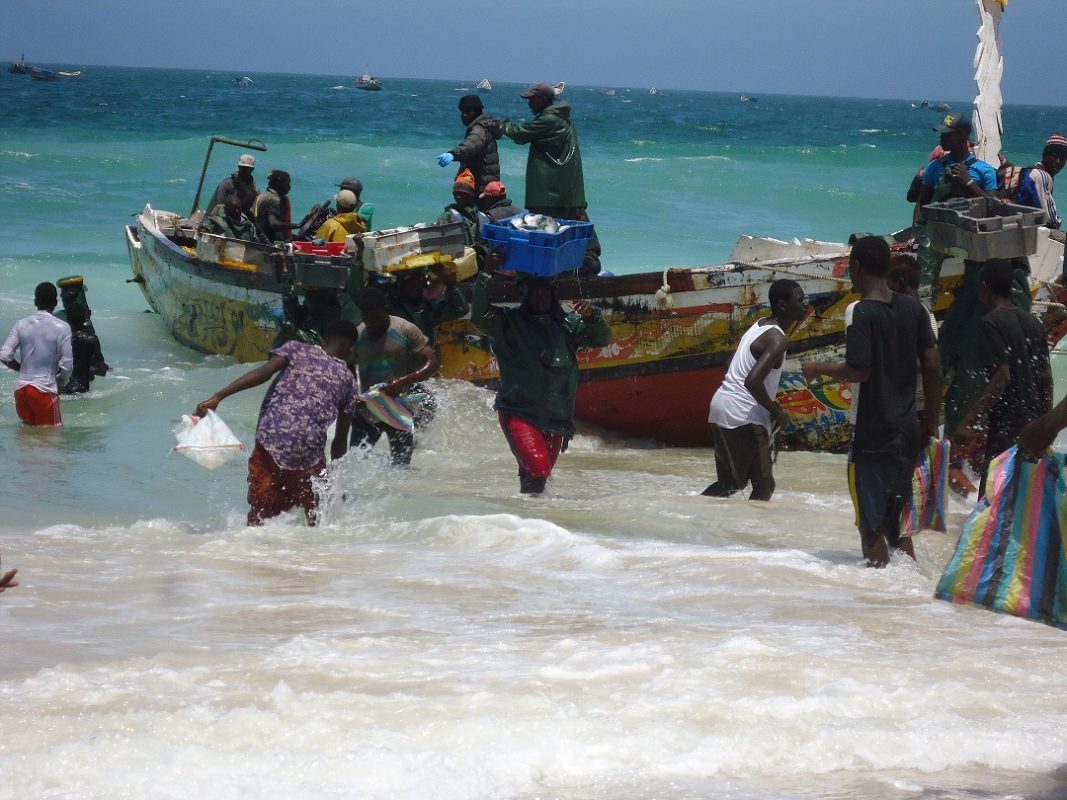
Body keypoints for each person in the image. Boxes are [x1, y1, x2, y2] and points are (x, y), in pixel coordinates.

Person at [802, 237, 941, 568]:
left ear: (857, 267)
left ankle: (879, 596)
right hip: (907, 432)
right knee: (897, 522)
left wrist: (817, 368)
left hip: (872, 435)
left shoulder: (862, 312)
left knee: (870, 526)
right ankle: (912, 588)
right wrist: (931, 419)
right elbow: (934, 366)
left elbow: (859, 370)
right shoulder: (915, 309)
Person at [470, 252, 612, 494]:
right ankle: (533, 523)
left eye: (545, 291)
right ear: (523, 295)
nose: (540, 296)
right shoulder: (508, 324)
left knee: (534, 477)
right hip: (519, 413)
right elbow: (480, 316)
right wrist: (485, 273)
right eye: (534, 291)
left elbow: (603, 339)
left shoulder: (567, 325)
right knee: (538, 470)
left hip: (556, 419)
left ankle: (526, 522)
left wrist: (591, 316)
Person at [195, 320, 361, 526]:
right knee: (317, 514)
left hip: (271, 439)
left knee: (261, 512)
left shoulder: (296, 349)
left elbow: (263, 373)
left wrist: (218, 396)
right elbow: (339, 442)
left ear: (325, 338)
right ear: (352, 348)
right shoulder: (349, 381)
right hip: (308, 452)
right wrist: (335, 481)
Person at [954, 259, 1053, 496]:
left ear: (985, 287)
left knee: (990, 505)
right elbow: (1046, 378)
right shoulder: (1033, 322)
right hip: (1033, 427)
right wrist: (1045, 424)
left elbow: (1002, 377)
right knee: (1023, 505)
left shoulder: (990, 323)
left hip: (1006, 429)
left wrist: (969, 420)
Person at [704, 279, 808, 501]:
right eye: (800, 301)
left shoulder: (760, 325)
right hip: (743, 415)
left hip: (721, 407)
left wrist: (770, 404)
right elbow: (752, 381)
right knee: (764, 485)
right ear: (782, 306)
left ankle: (695, 513)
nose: (805, 305)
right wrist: (777, 412)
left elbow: (729, 364)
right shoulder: (778, 339)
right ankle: (753, 535)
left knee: (731, 483)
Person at [350, 287, 440, 465]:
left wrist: (403, 381)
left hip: (400, 409)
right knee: (353, 465)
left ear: (386, 310)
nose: (370, 323)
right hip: (367, 411)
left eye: (375, 318)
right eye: (366, 319)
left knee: (401, 468)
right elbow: (348, 371)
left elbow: (433, 363)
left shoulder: (405, 330)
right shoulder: (357, 335)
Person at [914, 114, 998, 296]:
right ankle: (926, 300)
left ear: (961, 136)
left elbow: (993, 206)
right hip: (940, 232)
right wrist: (919, 233)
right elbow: (923, 203)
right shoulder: (934, 167)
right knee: (927, 253)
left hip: (970, 234)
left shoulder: (984, 171)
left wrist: (968, 183)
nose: (941, 138)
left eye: (946, 134)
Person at [500, 83, 586, 219]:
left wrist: (501, 124)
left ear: (543, 99)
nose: (529, 104)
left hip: (550, 196)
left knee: (544, 231)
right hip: (567, 193)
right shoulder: (562, 117)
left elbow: (520, 134)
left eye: (532, 100)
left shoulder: (549, 119)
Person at [0, 282, 73, 426]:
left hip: (21, 390)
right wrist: (60, 382)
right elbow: (67, 365)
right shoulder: (62, 327)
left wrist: (20, 368)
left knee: (28, 436)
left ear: (35, 302)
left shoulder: (21, 324)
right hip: (44, 390)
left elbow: (4, 355)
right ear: (55, 302)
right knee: (52, 438)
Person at [437, 94, 501, 196]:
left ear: (473, 112)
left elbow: (470, 145)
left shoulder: (479, 129)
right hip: (486, 185)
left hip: (481, 188)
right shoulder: (485, 126)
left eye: (465, 112)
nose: (463, 116)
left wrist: (453, 154)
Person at [1015, 132, 1066, 231]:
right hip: (1030, 229)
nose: (1058, 161)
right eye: (1054, 156)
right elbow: (1049, 218)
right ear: (1045, 156)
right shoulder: (1042, 176)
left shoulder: (1032, 170)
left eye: (1063, 158)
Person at [60, 306, 109, 395]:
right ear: (85, 320)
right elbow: (102, 370)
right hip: (82, 390)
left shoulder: (63, 338)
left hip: (64, 389)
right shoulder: (92, 339)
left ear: (68, 319)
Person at [254, 169, 306, 243]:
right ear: (278, 184)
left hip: (256, 237)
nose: (289, 187)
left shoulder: (262, 195)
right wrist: (297, 225)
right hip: (266, 242)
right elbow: (273, 223)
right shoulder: (274, 199)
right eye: (287, 184)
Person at [436, 175, 488, 249]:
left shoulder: (482, 217)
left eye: (462, 194)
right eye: (456, 194)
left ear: (470, 195)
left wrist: (481, 249)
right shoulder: (449, 216)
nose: (458, 197)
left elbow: (489, 244)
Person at [207, 153, 259, 218]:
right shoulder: (226, 185)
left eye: (248, 168)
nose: (245, 170)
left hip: (243, 220)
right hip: (224, 219)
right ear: (239, 167)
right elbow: (218, 208)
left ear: (252, 169)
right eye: (243, 167)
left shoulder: (254, 189)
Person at [200, 193, 267, 243]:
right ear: (226, 209)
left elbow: (256, 244)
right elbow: (207, 223)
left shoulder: (249, 226)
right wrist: (204, 230)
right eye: (233, 209)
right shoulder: (219, 221)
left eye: (238, 208)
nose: (237, 211)